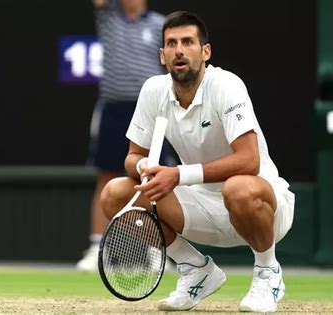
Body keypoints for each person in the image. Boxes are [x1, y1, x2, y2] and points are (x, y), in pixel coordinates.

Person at [100, 11, 295, 312]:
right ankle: (195, 270)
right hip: (200, 209)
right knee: (116, 194)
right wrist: (144, 169)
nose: (179, 50)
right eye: (171, 43)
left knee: (238, 188)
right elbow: (133, 156)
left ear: (205, 51)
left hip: (264, 208)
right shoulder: (153, 90)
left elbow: (249, 160)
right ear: (162, 56)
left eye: (188, 42)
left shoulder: (226, 85)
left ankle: (268, 272)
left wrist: (177, 175)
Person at [76, 0, 166, 271]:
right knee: (105, 177)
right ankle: (97, 249)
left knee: (153, 178)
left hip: (149, 110)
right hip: (113, 110)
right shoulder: (108, 16)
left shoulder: (160, 24)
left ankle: (157, 250)